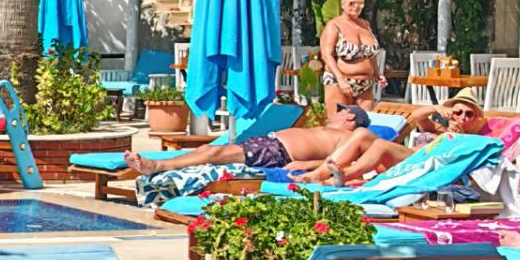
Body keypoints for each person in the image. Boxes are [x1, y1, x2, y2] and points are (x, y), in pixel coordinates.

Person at [293, 90, 493, 185]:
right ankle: (318, 174)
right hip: (400, 163)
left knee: (381, 145)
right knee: (361, 134)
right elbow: (416, 116)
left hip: (419, 166)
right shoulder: (437, 128)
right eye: (458, 112)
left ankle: (343, 176)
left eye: (469, 114)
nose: (462, 117)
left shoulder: (471, 140)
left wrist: (457, 136)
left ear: (475, 118)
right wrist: (435, 108)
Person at [126, 105, 370, 176]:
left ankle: (156, 166)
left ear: (350, 117)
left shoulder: (350, 137)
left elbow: (342, 163)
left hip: (278, 153)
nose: (335, 113)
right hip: (269, 144)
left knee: (213, 154)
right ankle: (161, 165)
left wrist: (306, 165)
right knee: (208, 148)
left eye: (341, 111)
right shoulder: (329, 130)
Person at [319, 0, 382, 113]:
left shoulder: (365, 24)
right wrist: (340, 79)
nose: (356, 7)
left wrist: (377, 73)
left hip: (365, 84)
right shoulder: (334, 25)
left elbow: (370, 55)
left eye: (360, 4)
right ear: (343, 4)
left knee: (366, 121)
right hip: (339, 82)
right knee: (339, 121)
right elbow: (327, 55)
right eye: (352, 3)